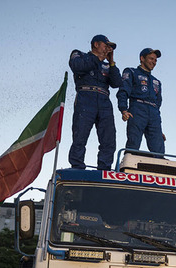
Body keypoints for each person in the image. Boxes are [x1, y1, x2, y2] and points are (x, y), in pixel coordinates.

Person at [69, 34, 122, 170]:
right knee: (80, 134)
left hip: (104, 100)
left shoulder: (107, 65)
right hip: (86, 97)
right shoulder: (79, 55)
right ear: (96, 44)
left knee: (109, 138)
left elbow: (117, 83)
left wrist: (111, 62)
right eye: (106, 46)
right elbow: (77, 67)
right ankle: (77, 166)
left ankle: (104, 168)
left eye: (110, 48)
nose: (108, 49)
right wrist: (97, 58)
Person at [117, 48, 165, 154]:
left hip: (153, 114)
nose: (154, 62)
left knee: (159, 146)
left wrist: (159, 128)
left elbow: (158, 104)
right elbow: (123, 91)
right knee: (133, 143)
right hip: (137, 108)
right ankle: (128, 167)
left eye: (155, 60)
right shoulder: (131, 72)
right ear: (142, 58)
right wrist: (123, 110)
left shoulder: (156, 81)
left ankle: (159, 168)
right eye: (151, 59)